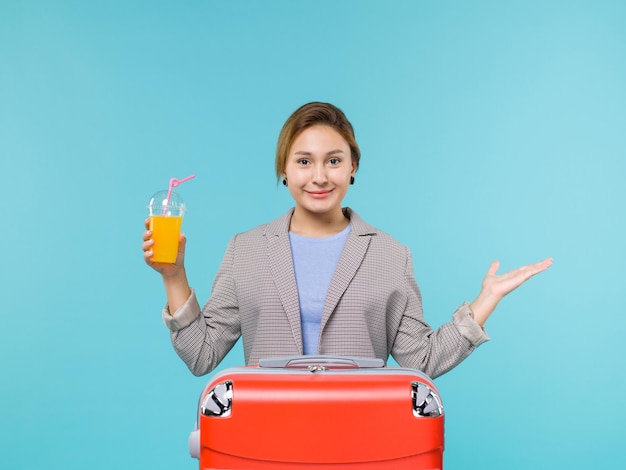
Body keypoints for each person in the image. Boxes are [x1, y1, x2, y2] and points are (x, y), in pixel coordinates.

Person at [142, 102, 552, 379]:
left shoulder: (391, 255)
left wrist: (485, 302)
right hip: (266, 439)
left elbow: (421, 359)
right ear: (284, 169)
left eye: (333, 161)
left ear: (353, 166)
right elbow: (201, 355)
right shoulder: (245, 250)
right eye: (304, 161)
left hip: (360, 439)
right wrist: (173, 276)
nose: (319, 176)